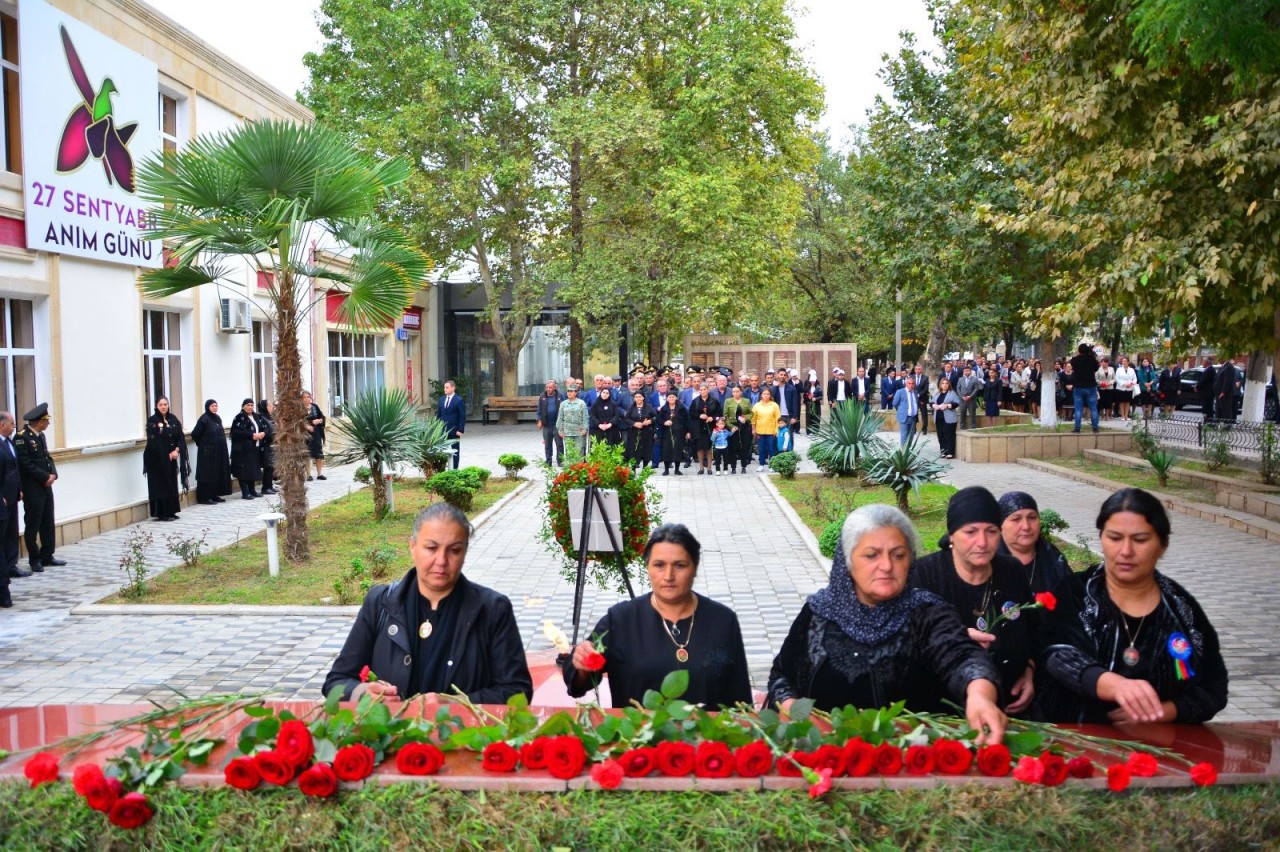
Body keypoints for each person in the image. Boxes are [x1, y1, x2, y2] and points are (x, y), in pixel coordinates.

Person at [766, 504, 1006, 743]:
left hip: (903, 767)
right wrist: (792, 710)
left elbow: (962, 656)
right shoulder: (818, 611)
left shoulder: (928, 614)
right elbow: (781, 674)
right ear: (848, 561)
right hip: (820, 759)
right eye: (872, 555)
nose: (887, 566)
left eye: (898, 555)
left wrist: (980, 695)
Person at [1036, 488, 1228, 724]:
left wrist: (1166, 711)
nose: (1125, 551)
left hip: (1161, 750)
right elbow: (1055, 652)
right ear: (1101, 538)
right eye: (1115, 538)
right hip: (1077, 746)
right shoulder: (1074, 592)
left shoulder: (1181, 609)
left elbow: (1214, 687)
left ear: (1162, 545)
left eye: (1140, 540)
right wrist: (1112, 684)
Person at [324, 503, 534, 703]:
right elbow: (336, 682)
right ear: (412, 546)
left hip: (463, 738)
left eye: (454, 550)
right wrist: (363, 693)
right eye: (431, 548)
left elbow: (518, 691)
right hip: (391, 738)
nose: (441, 561)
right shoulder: (380, 603)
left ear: (465, 551)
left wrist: (456, 704)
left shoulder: (493, 609)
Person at [564, 524, 751, 708]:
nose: (668, 576)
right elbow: (577, 685)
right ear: (648, 568)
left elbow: (740, 699)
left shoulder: (723, 620)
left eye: (680, 565)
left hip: (706, 736)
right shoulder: (621, 620)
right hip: (638, 735)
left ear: (694, 568)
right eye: (659, 565)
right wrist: (581, 665)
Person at [909, 486, 1037, 715]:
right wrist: (952, 640)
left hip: (1013, 709)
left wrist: (1029, 668)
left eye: (991, 531)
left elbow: (1035, 629)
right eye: (970, 532)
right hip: (947, 715)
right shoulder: (924, 575)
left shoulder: (1011, 570)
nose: (982, 542)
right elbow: (909, 644)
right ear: (951, 536)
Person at [14, 404, 63, 573]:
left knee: (48, 521)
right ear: (39, 422)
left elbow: (47, 457)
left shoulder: (40, 436)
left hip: (46, 486)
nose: (47, 424)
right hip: (33, 487)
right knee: (33, 523)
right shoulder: (22, 438)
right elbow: (25, 464)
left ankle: (47, 555)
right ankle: (34, 559)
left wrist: (53, 474)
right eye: (45, 421)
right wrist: (44, 477)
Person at [996, 491, 1071, 596]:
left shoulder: (1054, 559)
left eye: (1032, 518)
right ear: (1000, 525)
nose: (1026, 526)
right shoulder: (986, 563)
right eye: (1016, 519)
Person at [143, 397, 188, 521]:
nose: (163, 407)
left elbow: (180, 436)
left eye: (165, 404)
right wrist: (165, 454)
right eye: (160, 404)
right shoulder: (152, 420)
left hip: (171, 457)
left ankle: (171, 510)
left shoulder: (173, 419)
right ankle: (162, 513)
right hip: (156, 459)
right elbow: (154, 440)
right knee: (160, 484)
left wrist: (176, 450)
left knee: (171, 482)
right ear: (156, 406)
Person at [190, 400, 232, 505]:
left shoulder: (217, 418)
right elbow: (195, 434)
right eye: (212, 406)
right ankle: (205, 497)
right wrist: (203, 443)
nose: (214, 408)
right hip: (207, 453)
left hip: (218, 452)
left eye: (216, 406)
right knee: (207, 474)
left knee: (217, 472)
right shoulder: (204, 419)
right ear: (207, 407)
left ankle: (214, 494)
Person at [0, 412, 20, 604]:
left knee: (10, 535)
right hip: (3, 501)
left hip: (10, 499)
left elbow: (15, 470)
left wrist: (18, 490)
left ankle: (10, 567)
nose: (14, 426)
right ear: (2, 424)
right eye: (11, 423)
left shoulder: (10, 442)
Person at [229, 399, 265, 500]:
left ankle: (252, 490)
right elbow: (235, 432)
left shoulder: (256, 416)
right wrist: (251, 435)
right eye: (248, 405)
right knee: (243, 471)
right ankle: (245, 492)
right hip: (243, 449)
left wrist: (263, 433)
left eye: (251, 405)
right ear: (243, 406)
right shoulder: (239, 417)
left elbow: (263, 427)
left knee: (252, 469)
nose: (250, 407)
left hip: (254, 447)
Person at [688, 383, 721, 474]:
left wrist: (712, 418)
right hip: (698, 427)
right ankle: (701, 468)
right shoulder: (695, 401)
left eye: (704, 389)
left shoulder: (714, 401)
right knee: (700, 448)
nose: (703, 391)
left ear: (708, 390)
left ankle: (709, 468)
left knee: (709, 447)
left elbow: (719, 413)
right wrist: (699, 415)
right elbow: (691, 413)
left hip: (710, 427)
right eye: (701, 390)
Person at [657, 390, 691, 476]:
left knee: (678, 450)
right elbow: (659, 420)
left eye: (673, 397)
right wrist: (665, 422)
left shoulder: (682, 408)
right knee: (666, 450)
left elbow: (687, 420)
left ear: (676, 398)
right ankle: (666, 469)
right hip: (667, 433)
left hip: (679, 432)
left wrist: (688, 431)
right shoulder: (663, 409)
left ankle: (677, 469)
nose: (671, 398)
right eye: (669, 397)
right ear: (667, 399)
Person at [1070, 343, 1101, 433]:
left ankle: (1077, 428)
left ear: (1079, 350)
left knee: (1078, 408)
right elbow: (1096, 368)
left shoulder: (1075, 360)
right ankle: (1095, 428)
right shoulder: (1091, 359)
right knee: (1093, 408)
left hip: (1078, 387)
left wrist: (1077, 353)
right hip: (1090, 386)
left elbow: (1073, 363)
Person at [722, 384, 752, 474]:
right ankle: (733, 467)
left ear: (741, 392)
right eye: (734, 391)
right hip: (733, 425)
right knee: (733, 447)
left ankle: (743, 466)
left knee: (744, 446)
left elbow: (751, 413)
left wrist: (745, 418)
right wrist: (731, 426)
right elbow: (725, 415)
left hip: (744, 426)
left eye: (737, 391)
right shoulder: (728, 401)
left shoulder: (746, 401)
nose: (735, 393)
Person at [435, 381, 465, 469]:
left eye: (447, 387)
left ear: (453, 388)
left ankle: (454, 470)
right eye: (444, 387)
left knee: (455, 451)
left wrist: (460, 429)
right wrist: (437, 428)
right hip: (442, 430)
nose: (445, 389)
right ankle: (441, 469)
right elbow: (439, 415)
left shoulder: (458, 400)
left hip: (454, 430)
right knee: (441, 450)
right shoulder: (441, 400)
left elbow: (462, 416)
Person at [556, 384, 590, 458]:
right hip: (567, 431)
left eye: (571, 391)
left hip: (579, 431)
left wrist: (585, 429)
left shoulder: (581, 403)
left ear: (576, 392)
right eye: (568, 391)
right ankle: (570, 468)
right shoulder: (563, 404)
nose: (569, 393)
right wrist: (560, 430)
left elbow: (585, 417)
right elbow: (560, 417)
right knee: (569, 452)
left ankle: (579, 468)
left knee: (579, 452)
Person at [751, 387, 781, 472]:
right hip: (760, 431)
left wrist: (776, 430)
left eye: (768, 394)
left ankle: (772, 465)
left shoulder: (774, 405)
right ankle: (761, 464)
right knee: (761, 448)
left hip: (771, 431)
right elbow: (753, 418)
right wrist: (753, 429)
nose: (766, 396)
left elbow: (778, 419)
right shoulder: (757, 405)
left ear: (770, 395)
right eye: (764, 394)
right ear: (761, 395)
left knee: (772, 448)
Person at [536, 380, 565, 467]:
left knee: (559, 444)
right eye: (547, 387)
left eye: (550, 387)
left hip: (557, 424)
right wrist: (539, 420)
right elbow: (539, 409)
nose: (548, 389)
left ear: (554, 388)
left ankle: (560, 461)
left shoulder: (560, 396)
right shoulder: (542, 396)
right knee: (547, 444)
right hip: (546, 424)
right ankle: (548, 461)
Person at [625, 391, 656, 469]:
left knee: (646, 450)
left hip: (646, 432)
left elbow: (655, 417)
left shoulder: (649, 407)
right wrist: (634, 423)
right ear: (634, 398)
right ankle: (633, 469)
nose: (638, 398)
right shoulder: (631, 408)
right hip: (634, 433)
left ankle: (645, 468)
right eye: (636, 397)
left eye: (640, 396)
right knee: (634, 450)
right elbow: (626, 418)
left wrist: (649, 421)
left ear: (643, 397)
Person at [931, 377, 960, 458]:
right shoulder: (937, 393)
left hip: (949, 417)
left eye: (946, 383)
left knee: (949, 434)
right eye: (943, 383)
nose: (944, 385)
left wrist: (947, 405)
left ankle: (950, 452)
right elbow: (931, 402)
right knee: (941, 434)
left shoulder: (952, 393)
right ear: (940, 384)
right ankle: (943, 451)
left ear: (949, 385)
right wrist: (934, 405)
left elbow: (957, 403)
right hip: (938, 416)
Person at [891, 376, 920, 446]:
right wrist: (901, 410)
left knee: (911, 436)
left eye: (912, 383)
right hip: (904, 417)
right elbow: (894, 403)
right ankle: (903, 454)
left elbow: (916, 403)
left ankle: (908, 451)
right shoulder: (900, 392)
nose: (911, 385)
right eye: (909, 383)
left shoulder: (915, 392)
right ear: (906, 384)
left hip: (913, 418)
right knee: (904, 436)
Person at [257, 399, 278, 495]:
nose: (272, 407)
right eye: (269, 405)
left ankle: (269, 485)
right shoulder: (260, 417)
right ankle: (265, 487)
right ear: (264, 407)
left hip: (273, 444)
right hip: (265, 445)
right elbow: (265, 430)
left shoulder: (270, 417)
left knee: (272, 466)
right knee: (268, 466)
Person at [1114, 355, 1137, 421]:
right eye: (1123, 361)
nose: (1123, 362)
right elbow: (1117, 378)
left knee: (1127, 402)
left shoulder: (1132, 370)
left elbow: (1135, 378)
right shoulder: (1119, 369)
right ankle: (1123, 416)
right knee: (1121, 402)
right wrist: (1124, 384)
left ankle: (1126, 415)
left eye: (1125, 361)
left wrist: (1131, 383)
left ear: (1128, 362)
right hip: (1121, 388)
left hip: (1129, 388)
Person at [803, 369, 824, 434]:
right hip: (809, 404)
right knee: (809, 417)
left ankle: (816, 431)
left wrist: (816, 399)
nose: (812, 382)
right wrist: (807, 397)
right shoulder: (807, 387)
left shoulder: (818, 387)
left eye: (813, 381)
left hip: (816, 404)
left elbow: (821, 396)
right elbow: (804, 396)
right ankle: (809, 431)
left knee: (816, 417)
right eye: (811, 381)